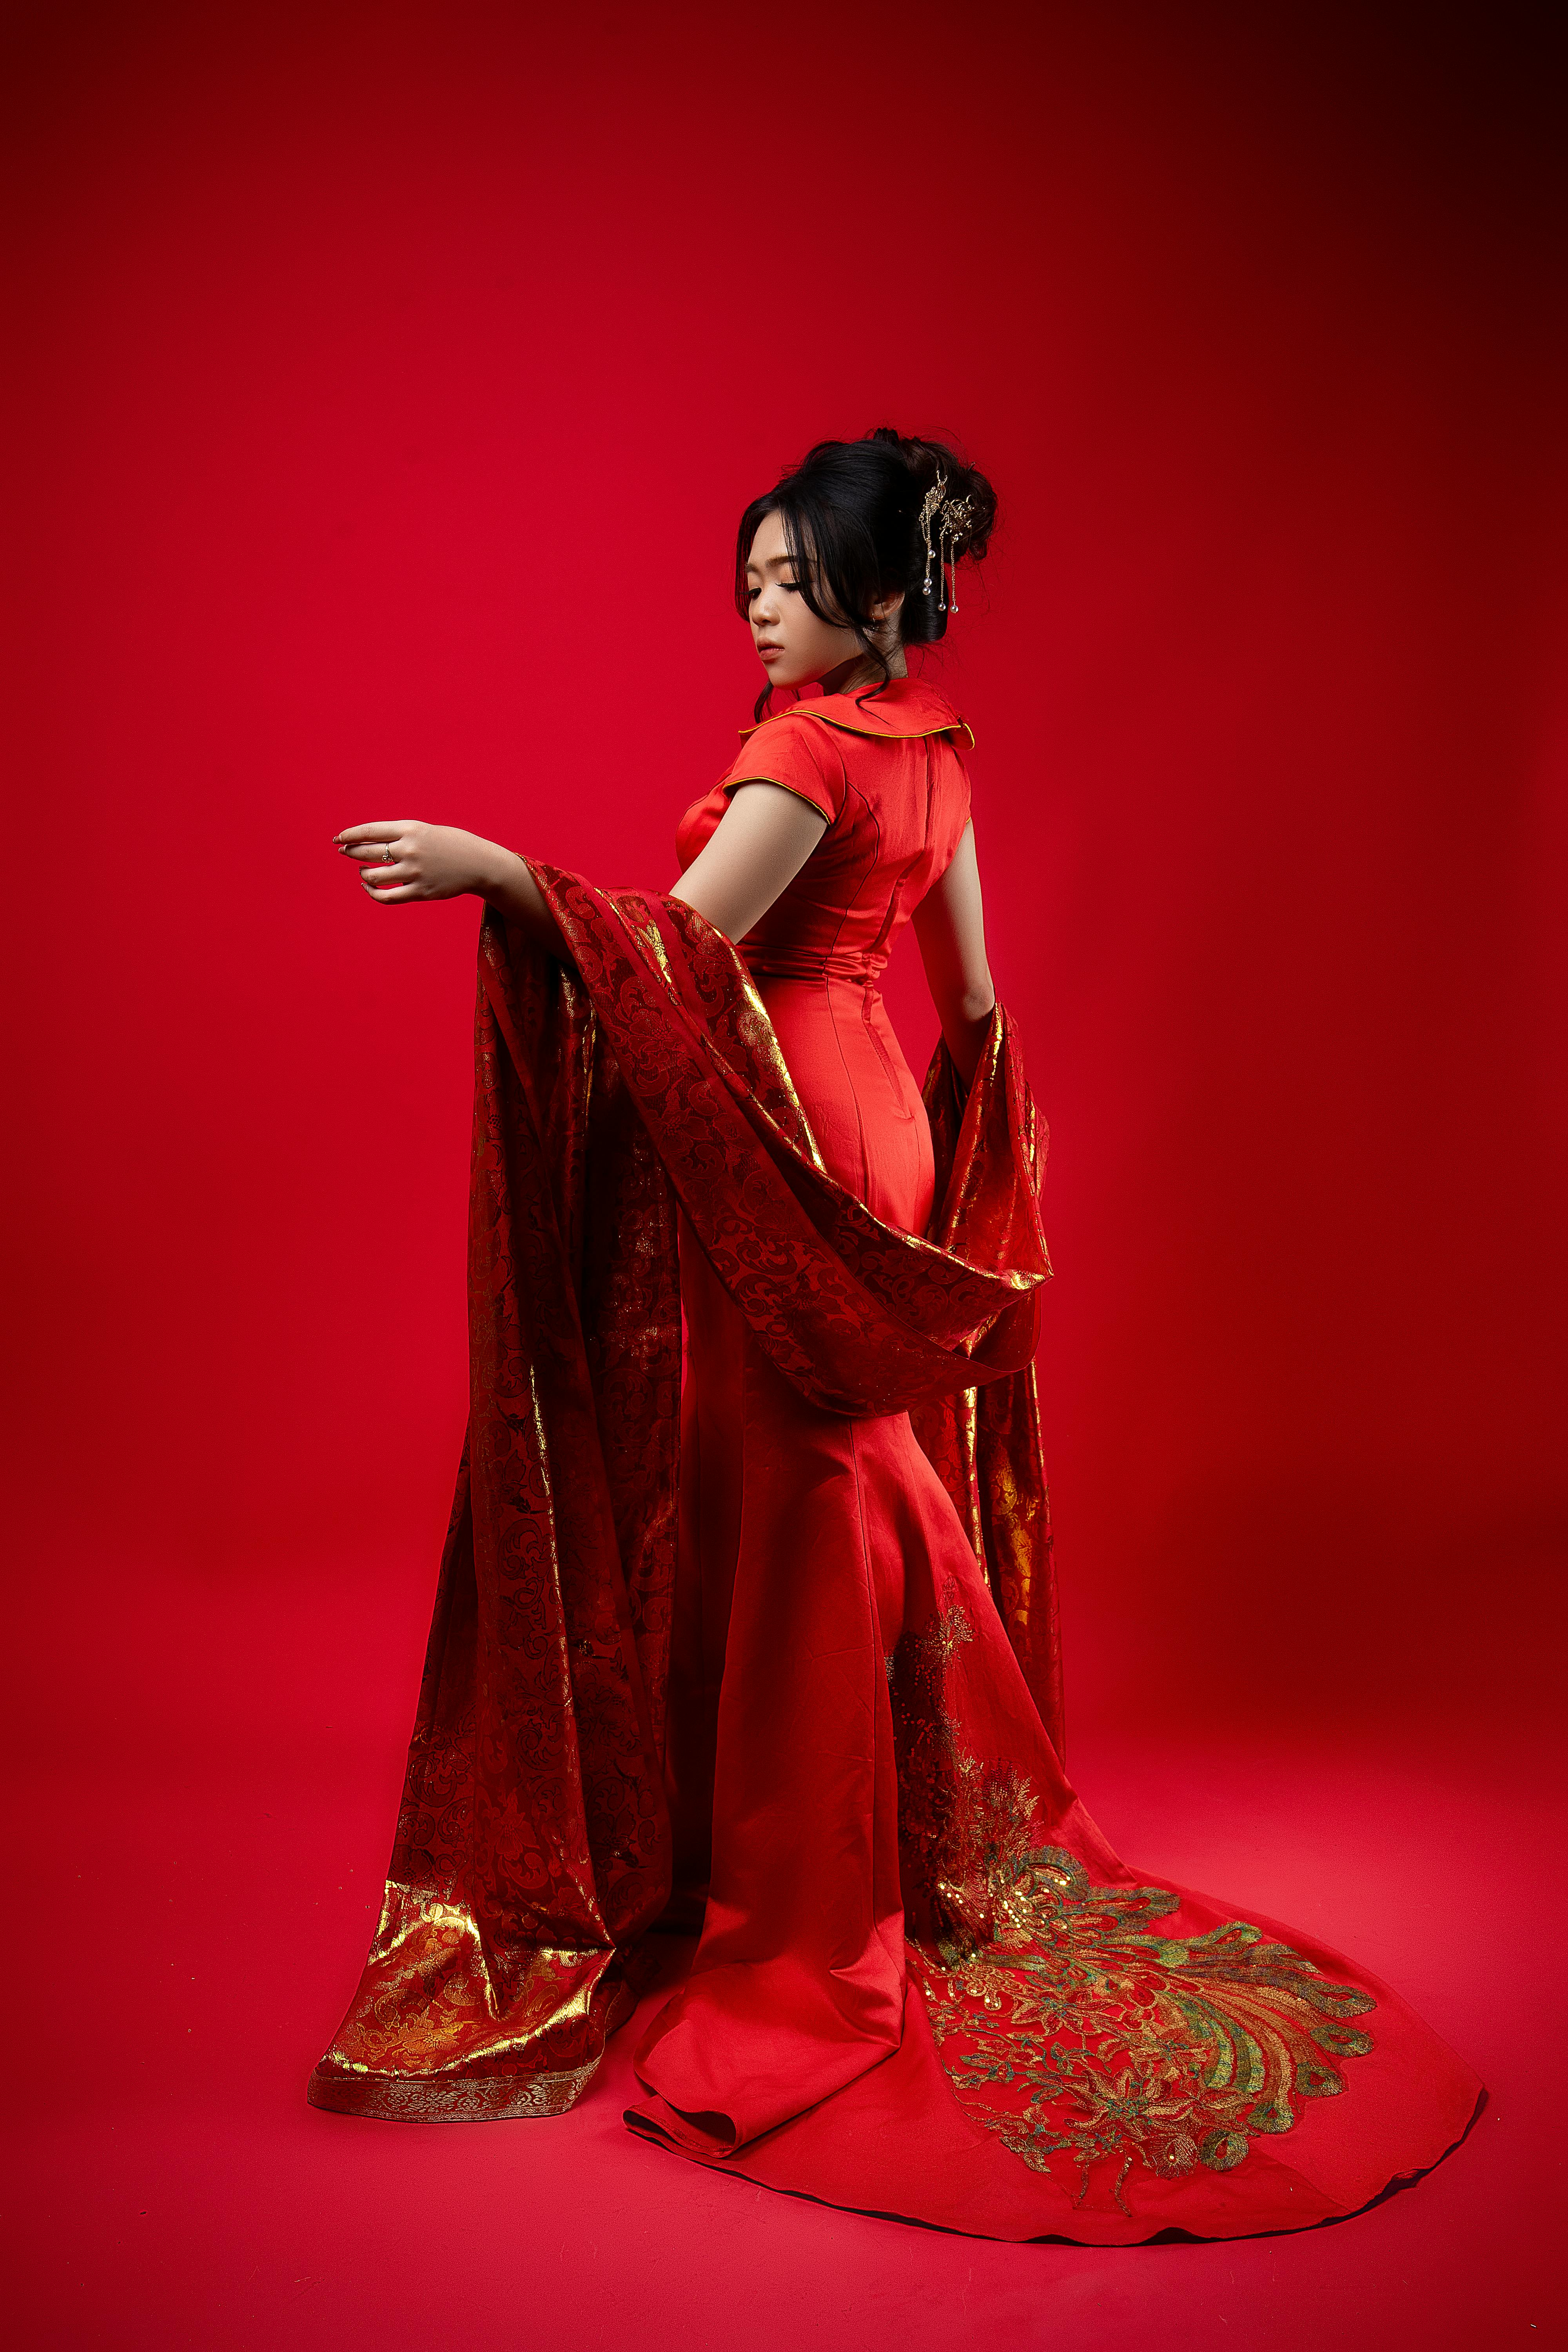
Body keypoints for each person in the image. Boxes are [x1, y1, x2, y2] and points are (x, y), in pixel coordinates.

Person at [312, 428, 1479, 2242]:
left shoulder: (802, 749)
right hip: (880, 1105)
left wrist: (499, 870)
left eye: (789, 582)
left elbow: (680, 951)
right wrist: (944, 1178)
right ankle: (899, 1826)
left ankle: (816, 1901)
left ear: (872, 591)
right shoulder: (935, 751)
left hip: (789, 1100)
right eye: (749, 585)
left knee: (805, 1485)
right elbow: (983, 1005)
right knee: (848, 1467)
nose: (760, 613)